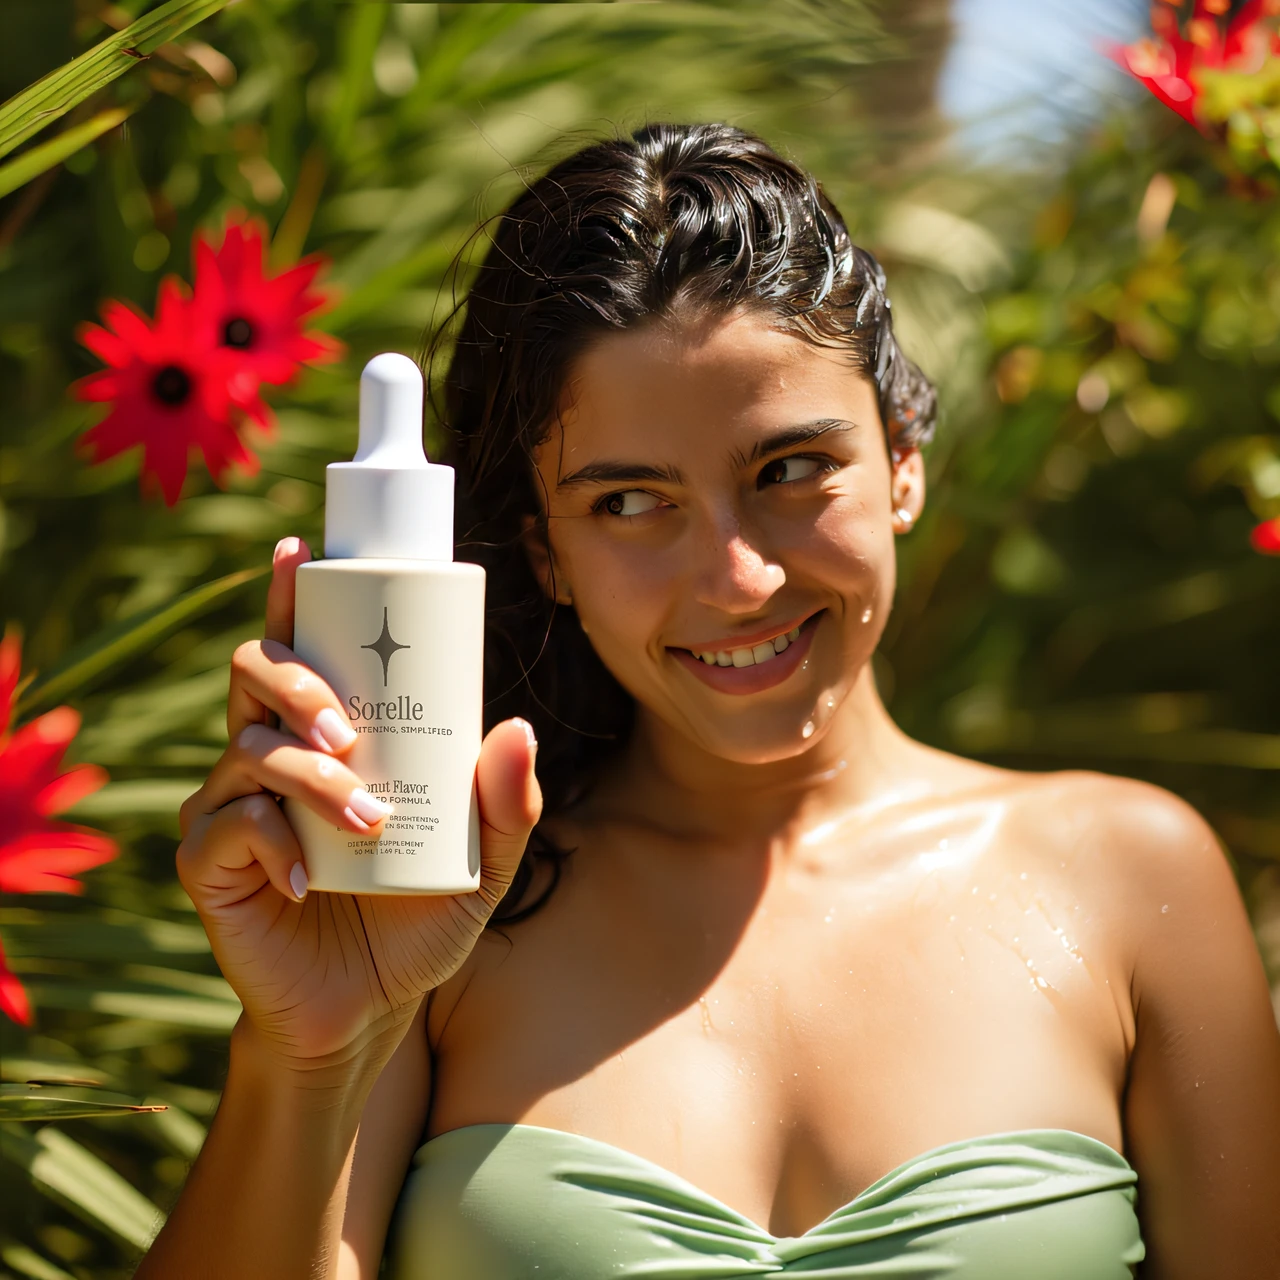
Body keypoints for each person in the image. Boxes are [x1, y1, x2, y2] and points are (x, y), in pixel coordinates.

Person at [134, 124, 1280, 1280]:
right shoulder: (434, 917)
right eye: (630, 502)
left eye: (789, 470)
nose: (737, 579)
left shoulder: (1129, 877)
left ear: (902, 459)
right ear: (544, 553)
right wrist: (307, 1054)